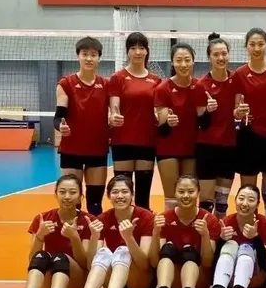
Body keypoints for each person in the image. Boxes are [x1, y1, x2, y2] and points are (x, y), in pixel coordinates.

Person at [65, 175, 155, 288]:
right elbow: (90, 264)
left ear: (132, 195)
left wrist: (128, 238)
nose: (120, 196)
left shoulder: (146, 217)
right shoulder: (103, 219)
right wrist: (94, 237)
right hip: (115, 279)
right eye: (115, 192)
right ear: (108, 196)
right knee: (104, 252)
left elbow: (145, 264)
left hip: (139, 282)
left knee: (123, 250)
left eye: (124, 192)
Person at [17, 174, 96, 288]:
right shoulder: (43, 219)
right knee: (41, 256)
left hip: (76, 283)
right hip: (49, 284)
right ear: (56, 194)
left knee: (60, 257)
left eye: (72, 192)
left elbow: (85, 263)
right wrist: (40, 236)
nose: (67, 196)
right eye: (62, 192)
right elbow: (32, 259)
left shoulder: (88, 220)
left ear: (80, 196)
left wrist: (74, 237)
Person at [151, 175, 221, 288]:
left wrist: (205, 235)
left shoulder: (208, 220)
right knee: (167, 250)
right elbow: (154, 262)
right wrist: (155, 233)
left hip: (198, 283)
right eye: (181, 191)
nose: (186, 196)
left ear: (198, 193)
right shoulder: (164, 218)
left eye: (190, 191)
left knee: (189, 254)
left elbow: (208, 262)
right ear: (175, 193)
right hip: (170, 281)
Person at [202, 184, 266, 288]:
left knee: (246, 248)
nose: (245, 203)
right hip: (229, 280)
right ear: (235, 200)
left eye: (251, 200)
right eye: (241, 198)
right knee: (231, 244)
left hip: (256, 280)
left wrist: (256, 239)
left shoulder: (264, 223)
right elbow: (213, 262)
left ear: (258, 204)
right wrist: (221, 240)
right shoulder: (227, 222)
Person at [233, 27, 266, 218]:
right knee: (248, 192)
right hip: (249, 137)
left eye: (260, 44)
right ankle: (248, 225)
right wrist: (239, 112)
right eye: (252, 44)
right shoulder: (240, 73)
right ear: (246, 46)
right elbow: (236, 109)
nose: (256, 48)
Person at [54, 36, 110, 215]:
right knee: (72, 204)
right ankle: (72, 232)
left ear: (99, 58)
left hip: (97, 149)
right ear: (78, 56)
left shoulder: (106, 85)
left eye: (93, 55)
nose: (89, 58)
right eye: (85, 54)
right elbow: (58, 117)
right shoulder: (66, 84)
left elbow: (114, 112)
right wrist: (60, 127)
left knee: (95, 205)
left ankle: (93, 233)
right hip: (71, 150)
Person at [108, 32, 161, 210]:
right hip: (122, 140)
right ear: (128, 52)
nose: (137, 52)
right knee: (123, 192)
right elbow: (114, 106)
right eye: (133, 48)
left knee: (143, 198)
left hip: (147, 140)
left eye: (141, 48)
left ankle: (143, 225)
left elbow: (159, 109)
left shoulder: (156, 80)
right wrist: (113, 117)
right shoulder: (117, 78)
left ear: (147, 51)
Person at [154, 43, 207, 212]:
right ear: (172, 63)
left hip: (191, 149)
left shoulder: (199, 87)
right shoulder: (163, 88)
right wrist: (168, 122)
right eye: (179, 60)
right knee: (172, 198)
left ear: (193, 62)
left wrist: (209, 111)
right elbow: (163, 130)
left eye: (187, 60)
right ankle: (170, 228)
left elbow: (204, 123)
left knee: (189, 197)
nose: (183, 64)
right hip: (168, 149)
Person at [195, 33, 237, 219]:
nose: (221, 58)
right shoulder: (201, 85)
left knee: (221, 202)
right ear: (209, 57)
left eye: (224, 53)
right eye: (216, 54)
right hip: (207, 147)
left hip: (229, 146)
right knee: (206, 201)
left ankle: (220, 232)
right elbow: (200, 123)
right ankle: (204, 232)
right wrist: (207, 111)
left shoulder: (237, 80)